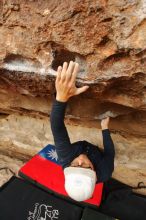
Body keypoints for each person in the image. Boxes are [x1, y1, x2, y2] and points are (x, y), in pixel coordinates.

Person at [50, 61, 115, 202]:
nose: (79, 160)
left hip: (79, 145)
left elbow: (57, 127)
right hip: (97, 153)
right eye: (85, 166)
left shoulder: (66, 158)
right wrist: (105, 129)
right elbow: (110, 152)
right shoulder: (105, 171)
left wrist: (61, 97)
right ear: (94, 172)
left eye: (74, 165)